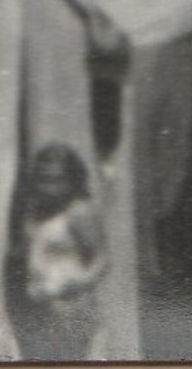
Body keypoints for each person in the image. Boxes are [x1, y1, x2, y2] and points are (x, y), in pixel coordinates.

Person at [6, 143, 108, 362]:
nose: (49, 187)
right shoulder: (34, 211)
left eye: (57, 179)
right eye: (43, 179)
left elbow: (102, 260)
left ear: (73, 180)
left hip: (70, 307)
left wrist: (75, 283)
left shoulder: (79, 211)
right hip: (39, 306)